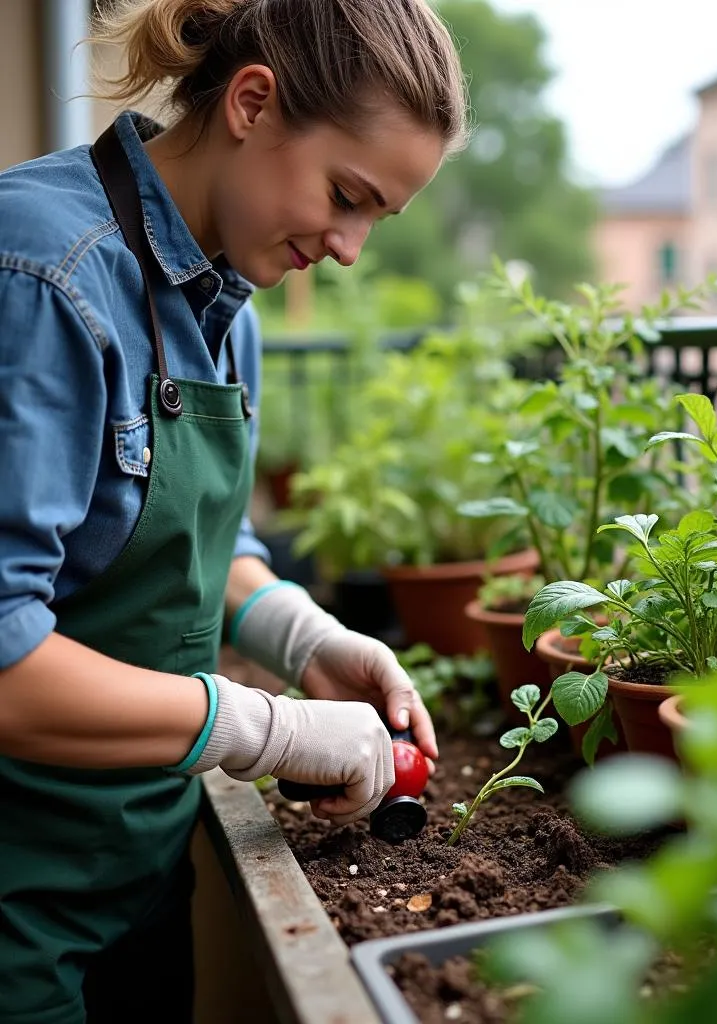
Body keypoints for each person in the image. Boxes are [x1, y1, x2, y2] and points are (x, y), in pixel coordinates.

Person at [0, 0, 468, 1020]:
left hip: (135, 874)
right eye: (345, 195)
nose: (348, 248)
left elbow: (206, 549)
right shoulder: (42, 275)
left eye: (375, 218)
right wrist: (268, 729)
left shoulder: (227, 307)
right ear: (252, 101)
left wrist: (303, 638)